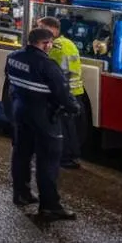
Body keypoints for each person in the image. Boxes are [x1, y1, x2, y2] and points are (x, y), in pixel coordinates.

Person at [6, 27, 79, 220]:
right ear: (45, 43)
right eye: (50, 44)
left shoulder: (13, 56)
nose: (50, 47)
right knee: (48, 160)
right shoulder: (47, 65)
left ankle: (21, 194)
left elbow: (11, 82)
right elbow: (62, 94)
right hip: (44, 117)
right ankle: (50, 206)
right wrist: (74, 108)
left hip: (20, 111)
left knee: (21, 153)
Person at [40, 17, 87, 169]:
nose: (38, 30)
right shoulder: (69, 43)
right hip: (76, 90)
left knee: (62, 127)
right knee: (70, 127)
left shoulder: (56, 47)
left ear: (51, 29)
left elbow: (50, 70)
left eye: (40, 27)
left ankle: (65, 158)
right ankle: (72, 156)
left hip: (64, 91)